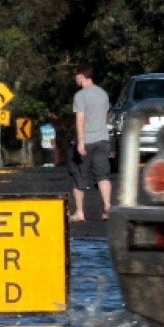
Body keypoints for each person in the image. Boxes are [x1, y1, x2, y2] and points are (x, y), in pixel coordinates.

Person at [68, 63, 112, 222]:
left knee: (78, 175)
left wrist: (80, 142)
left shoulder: (80, 96)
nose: (75, 79)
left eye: (75, 76)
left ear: (81, 75)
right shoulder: (103, 94)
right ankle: (107, 207)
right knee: (103, 175)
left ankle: (80, 212)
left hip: (87, 141)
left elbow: (80, 119)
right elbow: (105, 116)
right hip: (102, 140)